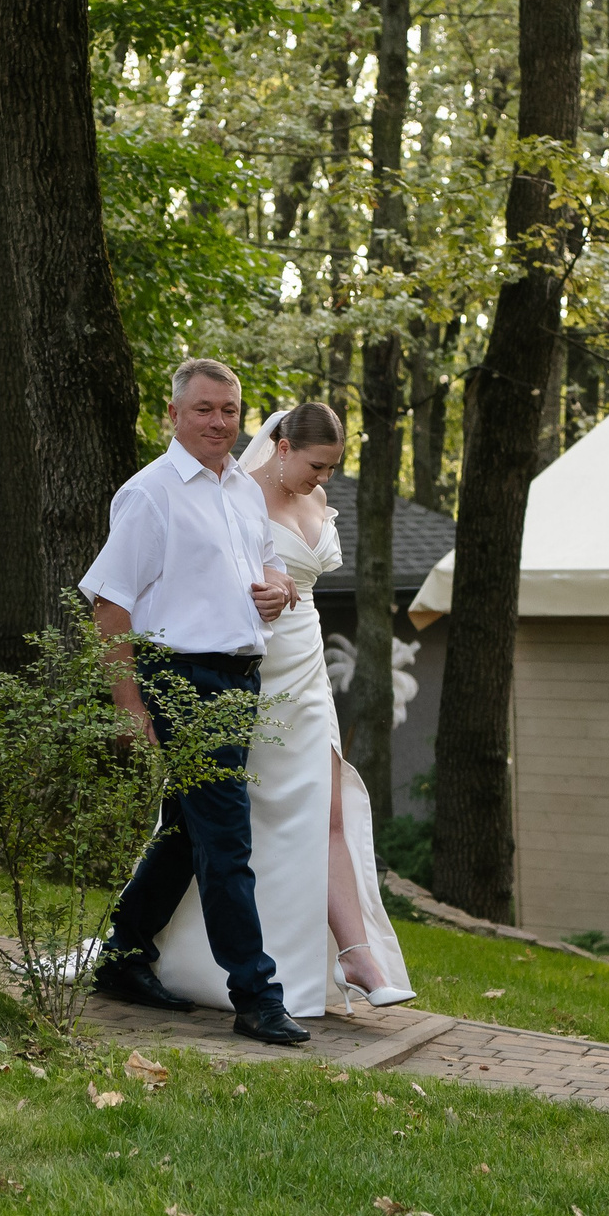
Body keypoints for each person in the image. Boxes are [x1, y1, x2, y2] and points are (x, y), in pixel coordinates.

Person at [144, 401, 415, 1017]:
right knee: (251, 818)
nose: (323, 479)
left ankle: (357, 955)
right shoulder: (233, 494)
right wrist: (255, 591)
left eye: (331, 469)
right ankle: (205, 956)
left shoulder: (318, 500)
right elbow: (199, 576)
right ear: (283, 446)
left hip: (308, 666)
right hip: (251, 667)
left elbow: (308, 578)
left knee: (331, 806)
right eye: (317, 466)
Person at [82, 359, 312, 1047]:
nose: (219, 422)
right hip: (180, 680)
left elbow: (268, 561)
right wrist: (130, 706)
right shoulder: (148, 494)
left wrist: (279, 587)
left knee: (187, 831)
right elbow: (109, 603)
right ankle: (256, 994)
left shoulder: (242, 488)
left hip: (241, 680)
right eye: (205, 409)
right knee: (225, 838)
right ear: (174, 415)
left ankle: (124, 956)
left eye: (231, 411)